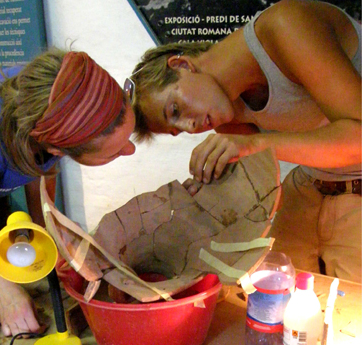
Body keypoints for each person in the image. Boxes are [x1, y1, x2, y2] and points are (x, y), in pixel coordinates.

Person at [127, 0, 361, 282]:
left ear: (181, 64)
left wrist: (255, 145)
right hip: (310, 185)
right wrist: (205, 197)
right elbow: (256, 182)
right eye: (177, 130)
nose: (190, 126)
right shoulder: (222, 111)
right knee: (266, 295)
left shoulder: (286, 25)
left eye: (174, 110)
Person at [0, 48, 136, 336]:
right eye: (114, 153)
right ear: (57, 147)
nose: (130, 150)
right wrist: (2, 290)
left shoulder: (54, 96)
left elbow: (40, 166)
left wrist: (45, 231)